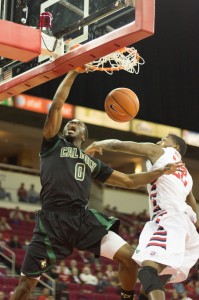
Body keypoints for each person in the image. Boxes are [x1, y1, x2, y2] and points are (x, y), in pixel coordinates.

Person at [10, 70, 182, 300]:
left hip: (81, 219)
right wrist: (73, 72)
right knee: (25, 287)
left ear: (84, 134)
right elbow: (57, 105)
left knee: (130, 259)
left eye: (77, 124)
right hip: (51, 221)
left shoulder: (91, 161)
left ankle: (126, 296)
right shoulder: (52, 144)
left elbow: (129, 180)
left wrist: (158, 172)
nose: (71, 125)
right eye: (69, 123)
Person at [86, 134, 199, 300]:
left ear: (175, 148)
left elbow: (119, 145)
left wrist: (97, 143)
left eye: (165, 139)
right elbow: (192, 203)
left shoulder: (161, 152)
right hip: (186, 230)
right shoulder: (187, 175)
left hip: (170, 222)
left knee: (147, 272)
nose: (160, 141)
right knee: (148, 290)